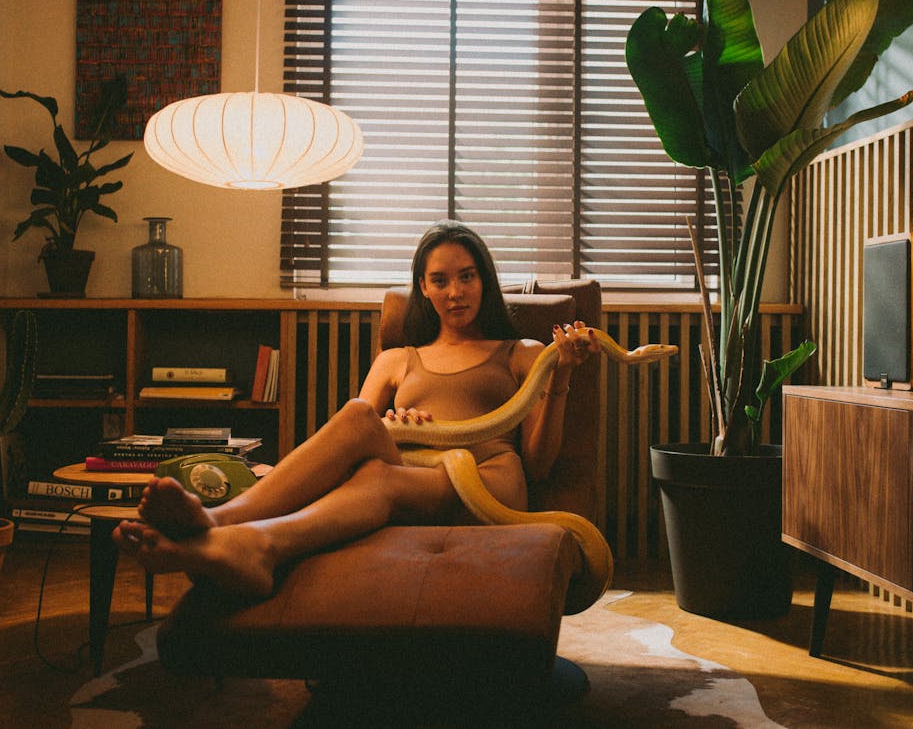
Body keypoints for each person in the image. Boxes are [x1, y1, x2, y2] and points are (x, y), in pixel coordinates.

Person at [112, 220, 598, 597]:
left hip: (486, 480)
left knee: (377, 478)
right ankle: (223, 523)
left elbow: (537, 465)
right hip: (412, 468)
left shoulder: (524, 352)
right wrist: (398, 428)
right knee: (357, 415)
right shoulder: (395, 360)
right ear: (423, 289)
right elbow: (355, 442)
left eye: (467, 277)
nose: (455, 292)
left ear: (484, 280)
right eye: (440, 280)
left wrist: (563, 374)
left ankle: (252, 542)